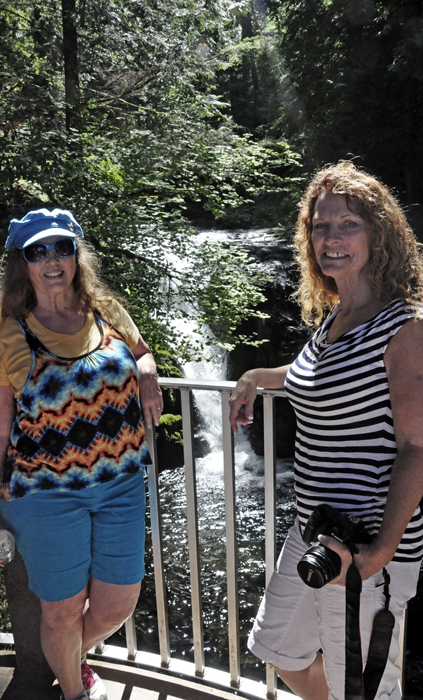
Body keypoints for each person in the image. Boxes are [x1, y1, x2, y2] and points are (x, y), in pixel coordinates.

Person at [229, 162, 423, 700]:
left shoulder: (406, 327)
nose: (330, 239)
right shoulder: (336, 317)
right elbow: (305, 379)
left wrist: (378, 554)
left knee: (363, 688)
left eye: (348, 225)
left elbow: (418, 446)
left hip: (367, 549)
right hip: (313, 533)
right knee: (278, 649)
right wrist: (252, 377)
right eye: (319, 226)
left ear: (379, 234)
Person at [0, 209, 163, 700]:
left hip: (120, 482)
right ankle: (75, 692)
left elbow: (141, 350)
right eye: (38, 251)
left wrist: (146, 371)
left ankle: (70, 660)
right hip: (44, 495)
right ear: (24, 265)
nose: (52, 260)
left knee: (119, 602)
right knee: (61, 611)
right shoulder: (5, 337)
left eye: (61, 247)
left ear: (77, 255)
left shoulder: (107, 310)